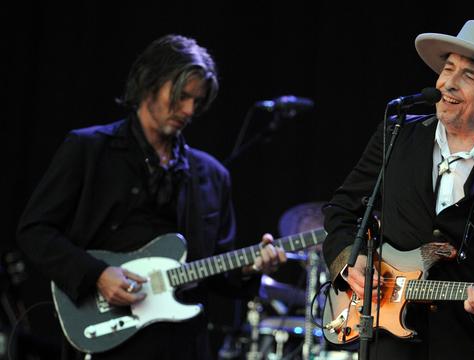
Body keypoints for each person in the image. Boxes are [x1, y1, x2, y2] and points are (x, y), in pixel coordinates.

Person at [16, 34, 286, 360]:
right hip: (106, 339)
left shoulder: (211, 176)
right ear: (149, 83)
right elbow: (34, 232)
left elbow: (219, 271)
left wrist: (250, 268)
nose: (188, 110)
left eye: (197, 102)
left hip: (182, 344)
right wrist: (96, 274)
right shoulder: (89, 150)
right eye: (180, 97)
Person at [322, 20, 474, 359]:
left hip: (469, 345)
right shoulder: (396, 134)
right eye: (448, 69)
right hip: (386, 341)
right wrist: (349, 264)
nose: (448, 84)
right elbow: (343, 209)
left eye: (468, 77)